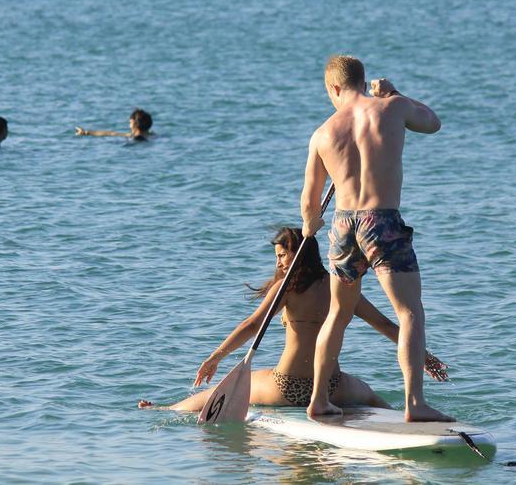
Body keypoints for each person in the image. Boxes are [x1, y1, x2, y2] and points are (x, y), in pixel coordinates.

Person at [139, 227, 447, 412]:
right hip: (331, 387)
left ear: (298, 254)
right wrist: (423, 355)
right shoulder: (343, 286)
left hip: (286, 387)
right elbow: (386, 325)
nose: (278, 262)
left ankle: (168, 409)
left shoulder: (287, 289)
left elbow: (251, 326)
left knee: (212, 393)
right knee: (376, 400)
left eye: (282, 255)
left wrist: (215, 356)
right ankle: (408, 423)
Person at [301, 55, 453, 422]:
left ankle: (319, 399)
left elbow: (309, 202)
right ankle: (414, 404)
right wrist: (397, 92)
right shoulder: (393, 107)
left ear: (334, 88)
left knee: (338, 314)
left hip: (342, 223)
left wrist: (309, 226)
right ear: (362, 80)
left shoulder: (323, 133)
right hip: (381, 220)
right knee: (410, 312)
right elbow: (432, 123)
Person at [75, 109, 152, 142]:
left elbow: (111, 133)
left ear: (135, 124)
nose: (129, 125)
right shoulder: (152, 135)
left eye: (130, 123)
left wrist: (86, 132)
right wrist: (86, 132)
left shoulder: (133, 137)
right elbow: (110, 133)